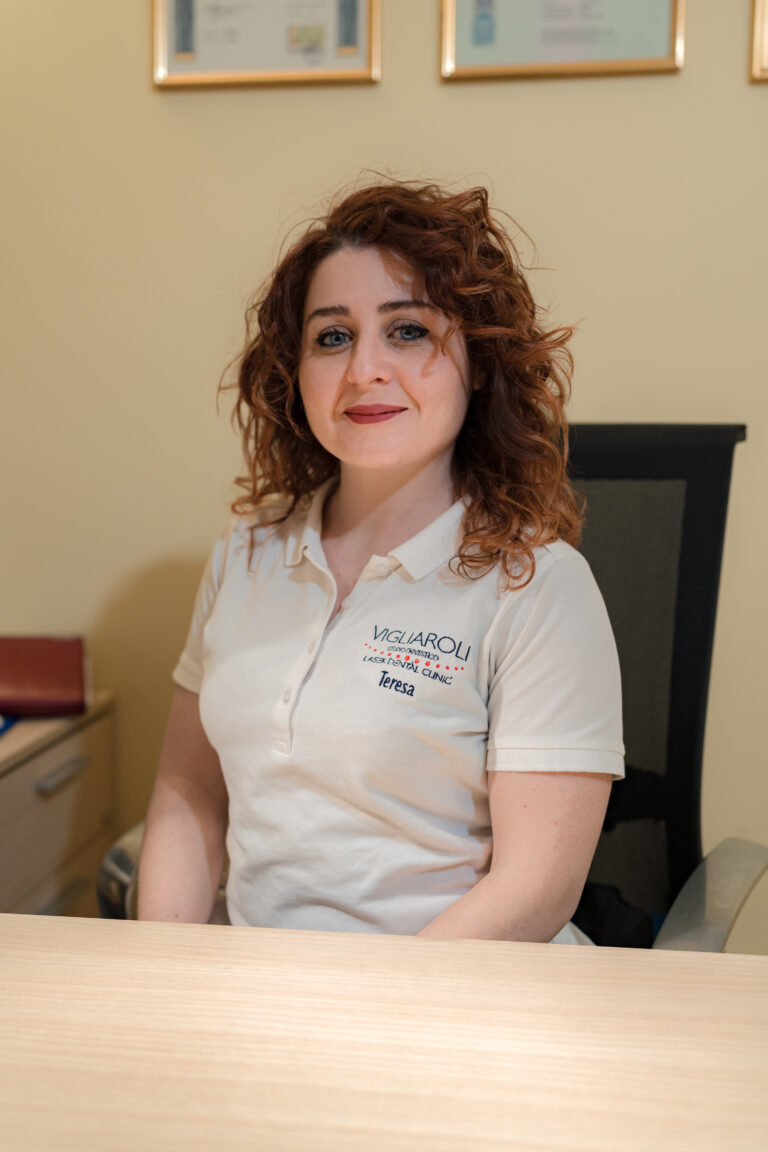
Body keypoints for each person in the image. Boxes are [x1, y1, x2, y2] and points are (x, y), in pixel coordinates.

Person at [137, 179, 624, 943]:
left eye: (407, 331)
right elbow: (189, 791)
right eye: (333, 337)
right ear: (296, 373)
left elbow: (535, 891)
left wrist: (367, 1006)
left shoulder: (537, 586)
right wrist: (165, 968)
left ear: (479, 362)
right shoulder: (245, 554)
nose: (364, 368)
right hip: (263, 990)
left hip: (459, 993)